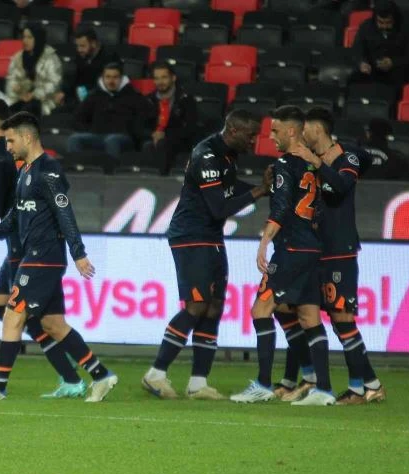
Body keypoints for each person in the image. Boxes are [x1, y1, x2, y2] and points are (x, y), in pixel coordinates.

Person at [0, 111, 118, 402]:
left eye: (11, 141)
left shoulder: (48, 171)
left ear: (27, 137)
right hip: (38, 257)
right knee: (52, 324)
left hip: (42, 257)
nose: (8, 147)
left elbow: (64, 213)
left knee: (12, 315)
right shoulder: (26, 171)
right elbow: (16, 215)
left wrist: (79, 253)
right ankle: (101, 375)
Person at [0, 98, 85, 398]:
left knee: (21, 315)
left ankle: (62, 376)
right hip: (22, 240)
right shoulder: (20, 158)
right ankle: (73, 376)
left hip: (24, 246)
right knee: (8, 309)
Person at [142, 109, 270, 400]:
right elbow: (219, 208)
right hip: (190, 236)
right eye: (250, 135)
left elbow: (230, 187)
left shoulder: (227, 156)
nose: (254, 141)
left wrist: (265, 189)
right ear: (234, 131)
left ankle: (198, 384)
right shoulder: (207, 155)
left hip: (210, 237)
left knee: (213, 306)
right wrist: (260, 191)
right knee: (196, 305)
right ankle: (155, 374)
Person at [230, 105, 333, 406]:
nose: (271, 136)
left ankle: (263, 384)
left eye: (275, 131)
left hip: (290, 249)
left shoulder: (285, 164)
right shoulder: (314, 164)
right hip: (312, 247)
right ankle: (323, 389)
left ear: (291, 131)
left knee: (260, 310)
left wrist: (265, 241)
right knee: (309, 316)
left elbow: (281, 208)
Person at [282, 107, 385, 404]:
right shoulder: (311, 161)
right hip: (318, 249)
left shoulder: (346, 157)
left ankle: (359, 389)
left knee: (342, 317)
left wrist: (317, 162)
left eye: (305, 128)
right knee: (333, 319)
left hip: (340, 250)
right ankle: (369, 384)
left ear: (317, 129)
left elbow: (340, 187)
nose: (302, 134)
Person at [68, 62, 147, 159]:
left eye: (115, 77)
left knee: (112, 140)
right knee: (74, 139)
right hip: (97, 136)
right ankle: (77, 166)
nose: (111, 81)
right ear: (103, 78)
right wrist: (90, 130)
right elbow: (76, 118)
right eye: (108, 77)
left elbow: (141, 120)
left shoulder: (133, 96)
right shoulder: (94, 95)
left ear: (121, 78)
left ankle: (112, 168)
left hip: (123, 137)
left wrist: (130, 132)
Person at [143, 62, 197, 175]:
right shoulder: (148, 100)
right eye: (157, 78)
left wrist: (165, 134)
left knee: (162, 144)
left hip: (177, 140)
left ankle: (162, 179)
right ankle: (149, 180)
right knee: (148, 145)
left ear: (173, 78)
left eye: (164, 77)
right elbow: (139, 125)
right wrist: (153, 134)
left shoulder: (185, 99)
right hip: (153, 138)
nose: (160, 82)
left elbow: (190, 128)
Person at [351, 0, 409, 88]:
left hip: (399, 72)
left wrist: (393, 62)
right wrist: (362, 63)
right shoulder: (366, 27)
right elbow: (357, 49)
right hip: (372, 71)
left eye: (388, 23)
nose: (384, 26)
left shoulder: (406, 29)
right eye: (380, 22)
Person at [5, 26, 62, 116]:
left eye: (29, 37)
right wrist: (16, 88)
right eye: (24, 37)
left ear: (38, 38)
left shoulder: (51, 58)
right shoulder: (18, 57)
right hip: (20, 98)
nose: (25, 40)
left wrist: (34, 94)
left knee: (27, 111)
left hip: (44, 100)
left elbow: (54, 84)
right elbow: (11, 78)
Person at [57, 27, 119, 107]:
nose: (79, 49)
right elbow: (73, 77)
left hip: (101, 101)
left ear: (93, 43)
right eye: (77, 46)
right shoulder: (81, 55)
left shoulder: (110, 57)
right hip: (80, 99)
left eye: (82, 46)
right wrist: (64, 92)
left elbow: (109, 84)